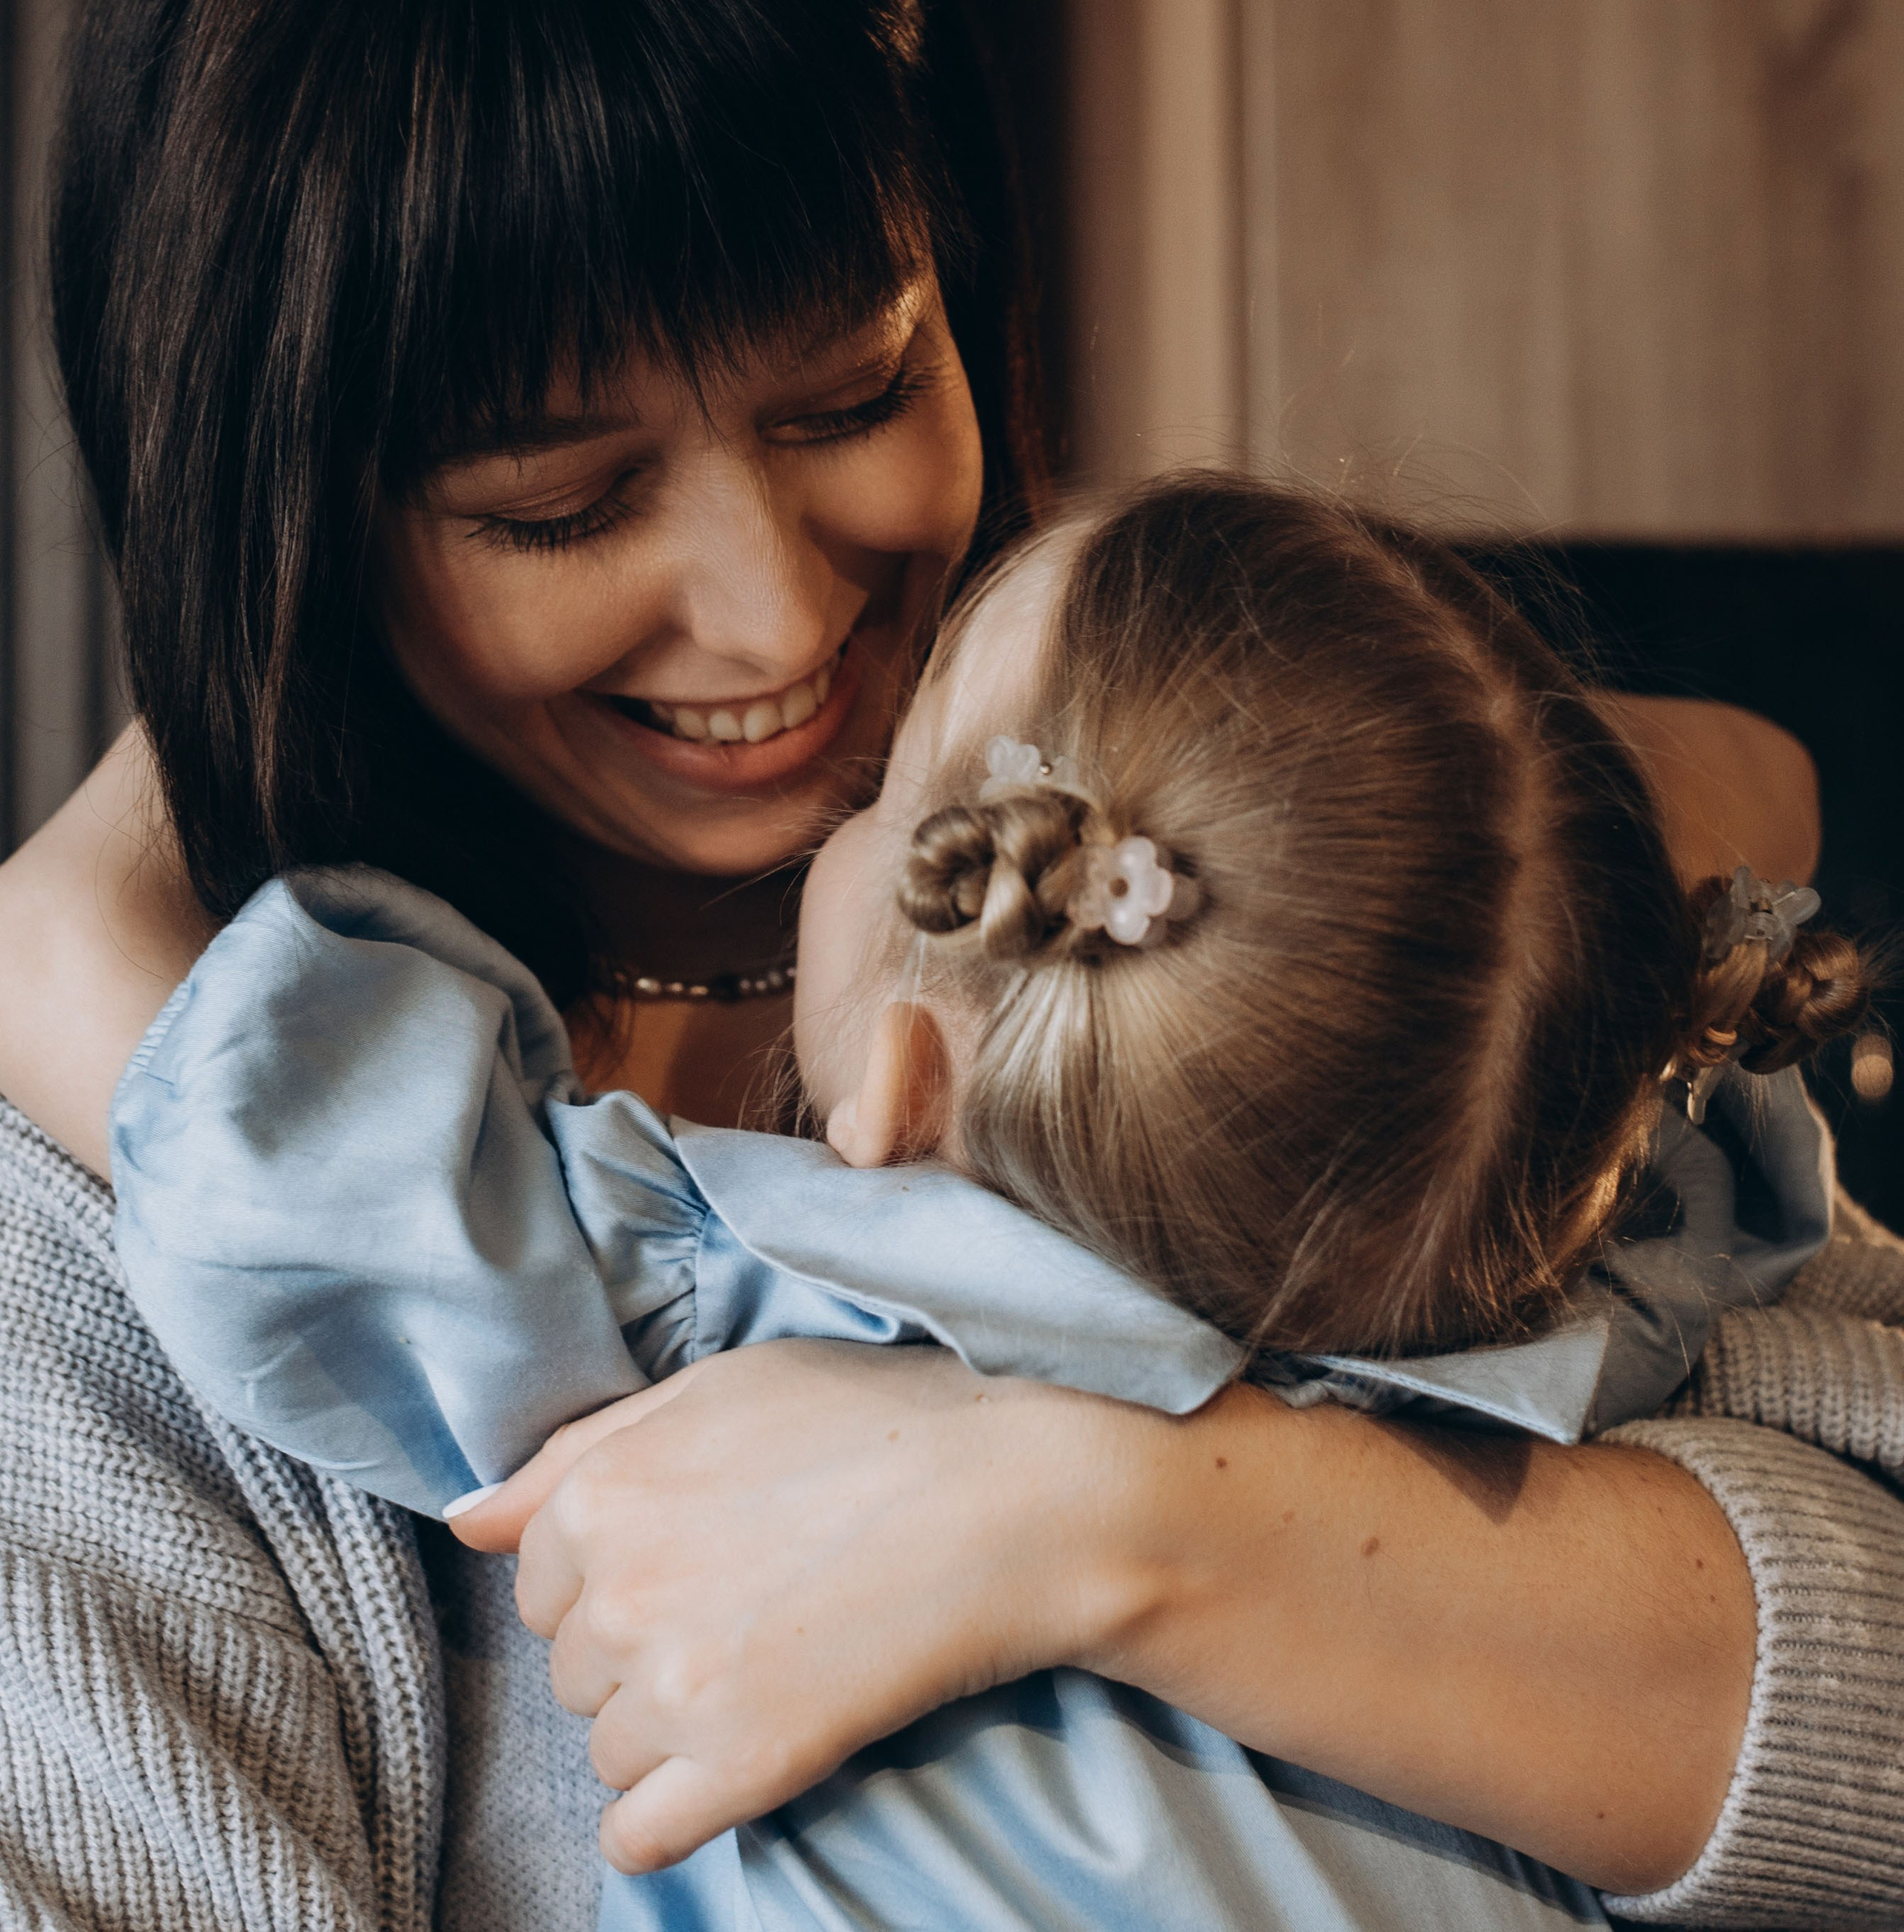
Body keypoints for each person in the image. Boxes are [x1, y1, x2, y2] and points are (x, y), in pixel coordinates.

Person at [0, 0, 1897, 1926]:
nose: (781, 613)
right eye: (561, 504)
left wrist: (1113, 1527)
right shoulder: (76, 1277)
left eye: (853, 390)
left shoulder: (1282, 879)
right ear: (289, 512)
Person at [109, 478, 1876, 1931]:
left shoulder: (709, 1285)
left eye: (892, 787)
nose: (787, 632)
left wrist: (190, 714)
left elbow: (256, 1126)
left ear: (893, 1082)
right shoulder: (1611, 1300)